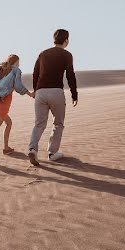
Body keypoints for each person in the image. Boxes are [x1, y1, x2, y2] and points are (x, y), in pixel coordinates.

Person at [28, 29, 78, 166]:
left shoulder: (43, 54)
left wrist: (36, 91)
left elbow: (35, 73)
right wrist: (74, 94)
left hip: (41, 92)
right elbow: (70, 75)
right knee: (58, 123)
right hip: (56, 92)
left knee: (39, 124)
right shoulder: (67, 55)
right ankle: (52, 153)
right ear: (66, 40)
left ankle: (32, 149)